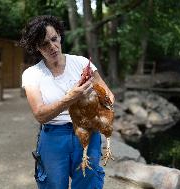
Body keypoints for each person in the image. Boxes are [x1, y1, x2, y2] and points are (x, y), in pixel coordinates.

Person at [20, 15, 115, 189]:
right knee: (53, 185)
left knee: (89, 183)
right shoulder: (32, 74)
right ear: (36, 47)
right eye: (44, 44)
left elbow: (109, 96)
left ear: (60, 35)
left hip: (87, 131)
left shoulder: (81, 63)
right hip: (53, 136)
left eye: (54, 39)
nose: (52, 47)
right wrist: (71, 97)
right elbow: (40, 114)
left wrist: (95, 99)